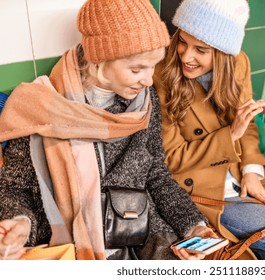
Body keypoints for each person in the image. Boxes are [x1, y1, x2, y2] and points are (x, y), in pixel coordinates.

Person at [0, 0, 216, 260]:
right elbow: (15, 188)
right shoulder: (40, 107)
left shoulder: (145, 101)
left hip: (146, 237)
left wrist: (194, 227)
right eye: (136, 69)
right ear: (100, 60)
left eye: (153, 66)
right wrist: (21, 224)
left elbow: (157, 176)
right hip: (76, 247)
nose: (148, 80)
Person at [153, 0, 265, 260]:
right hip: (204, 190)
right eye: (182, 41)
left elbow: (248, 126)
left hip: (239, 177)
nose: (186, 56)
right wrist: (229, 135)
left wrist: (252, 172)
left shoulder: (239, 64)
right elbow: (171, 160)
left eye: (200, 50)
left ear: (224, 53)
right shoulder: (163, 74)